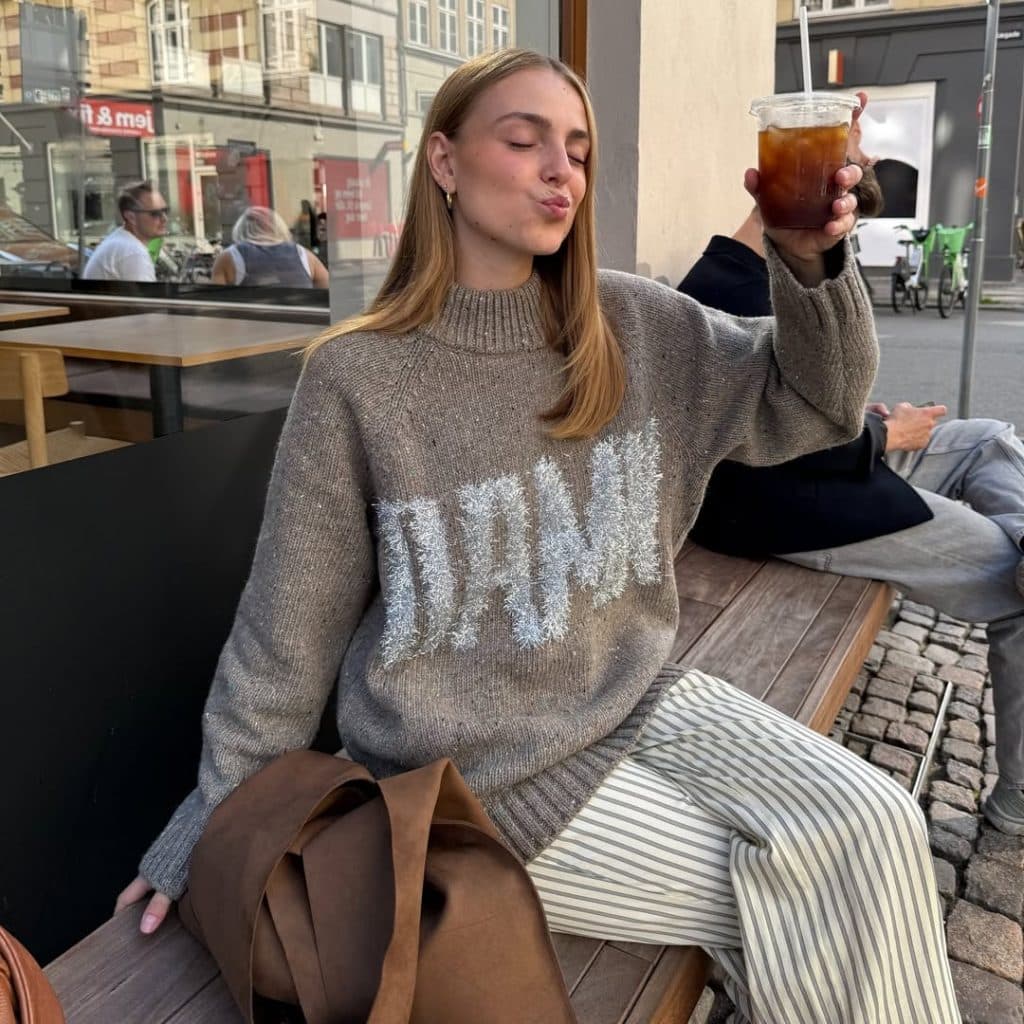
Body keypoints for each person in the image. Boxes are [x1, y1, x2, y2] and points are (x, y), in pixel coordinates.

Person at [116, 49, 961, 1023]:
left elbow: (816, 403)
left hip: (636, 693)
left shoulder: (637, 326)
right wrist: (210, 825)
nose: (562, 169)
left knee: (878, 818)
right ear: (444, 160)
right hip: (480, 775)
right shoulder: (358, 378)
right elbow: (285, 638)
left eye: (579, 148)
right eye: (524, 141)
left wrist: (806, 259)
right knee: (812, 890)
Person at [680, 202, 1024, 840]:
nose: (852, 171)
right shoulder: (738, 290)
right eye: (847, 154)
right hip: (811, 511)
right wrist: (888, 431)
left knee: (989, 438)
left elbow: (791, 410)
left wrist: (873, 428)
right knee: (1017, 593)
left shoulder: (742, 267)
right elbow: (765, 437)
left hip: (831, 478)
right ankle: (1019, 804)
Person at [211, 206, 328, 288]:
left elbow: (215, 303)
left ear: (240, 230)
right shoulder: (304, 255)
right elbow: (327, 290)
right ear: (278, 228)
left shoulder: (229, 257)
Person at [81, 180, 169, 282]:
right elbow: (145, 298)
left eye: (165, 211)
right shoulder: (132, 252)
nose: (164, 218)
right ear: (131, 217)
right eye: (155, 213)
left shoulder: (122, 241)